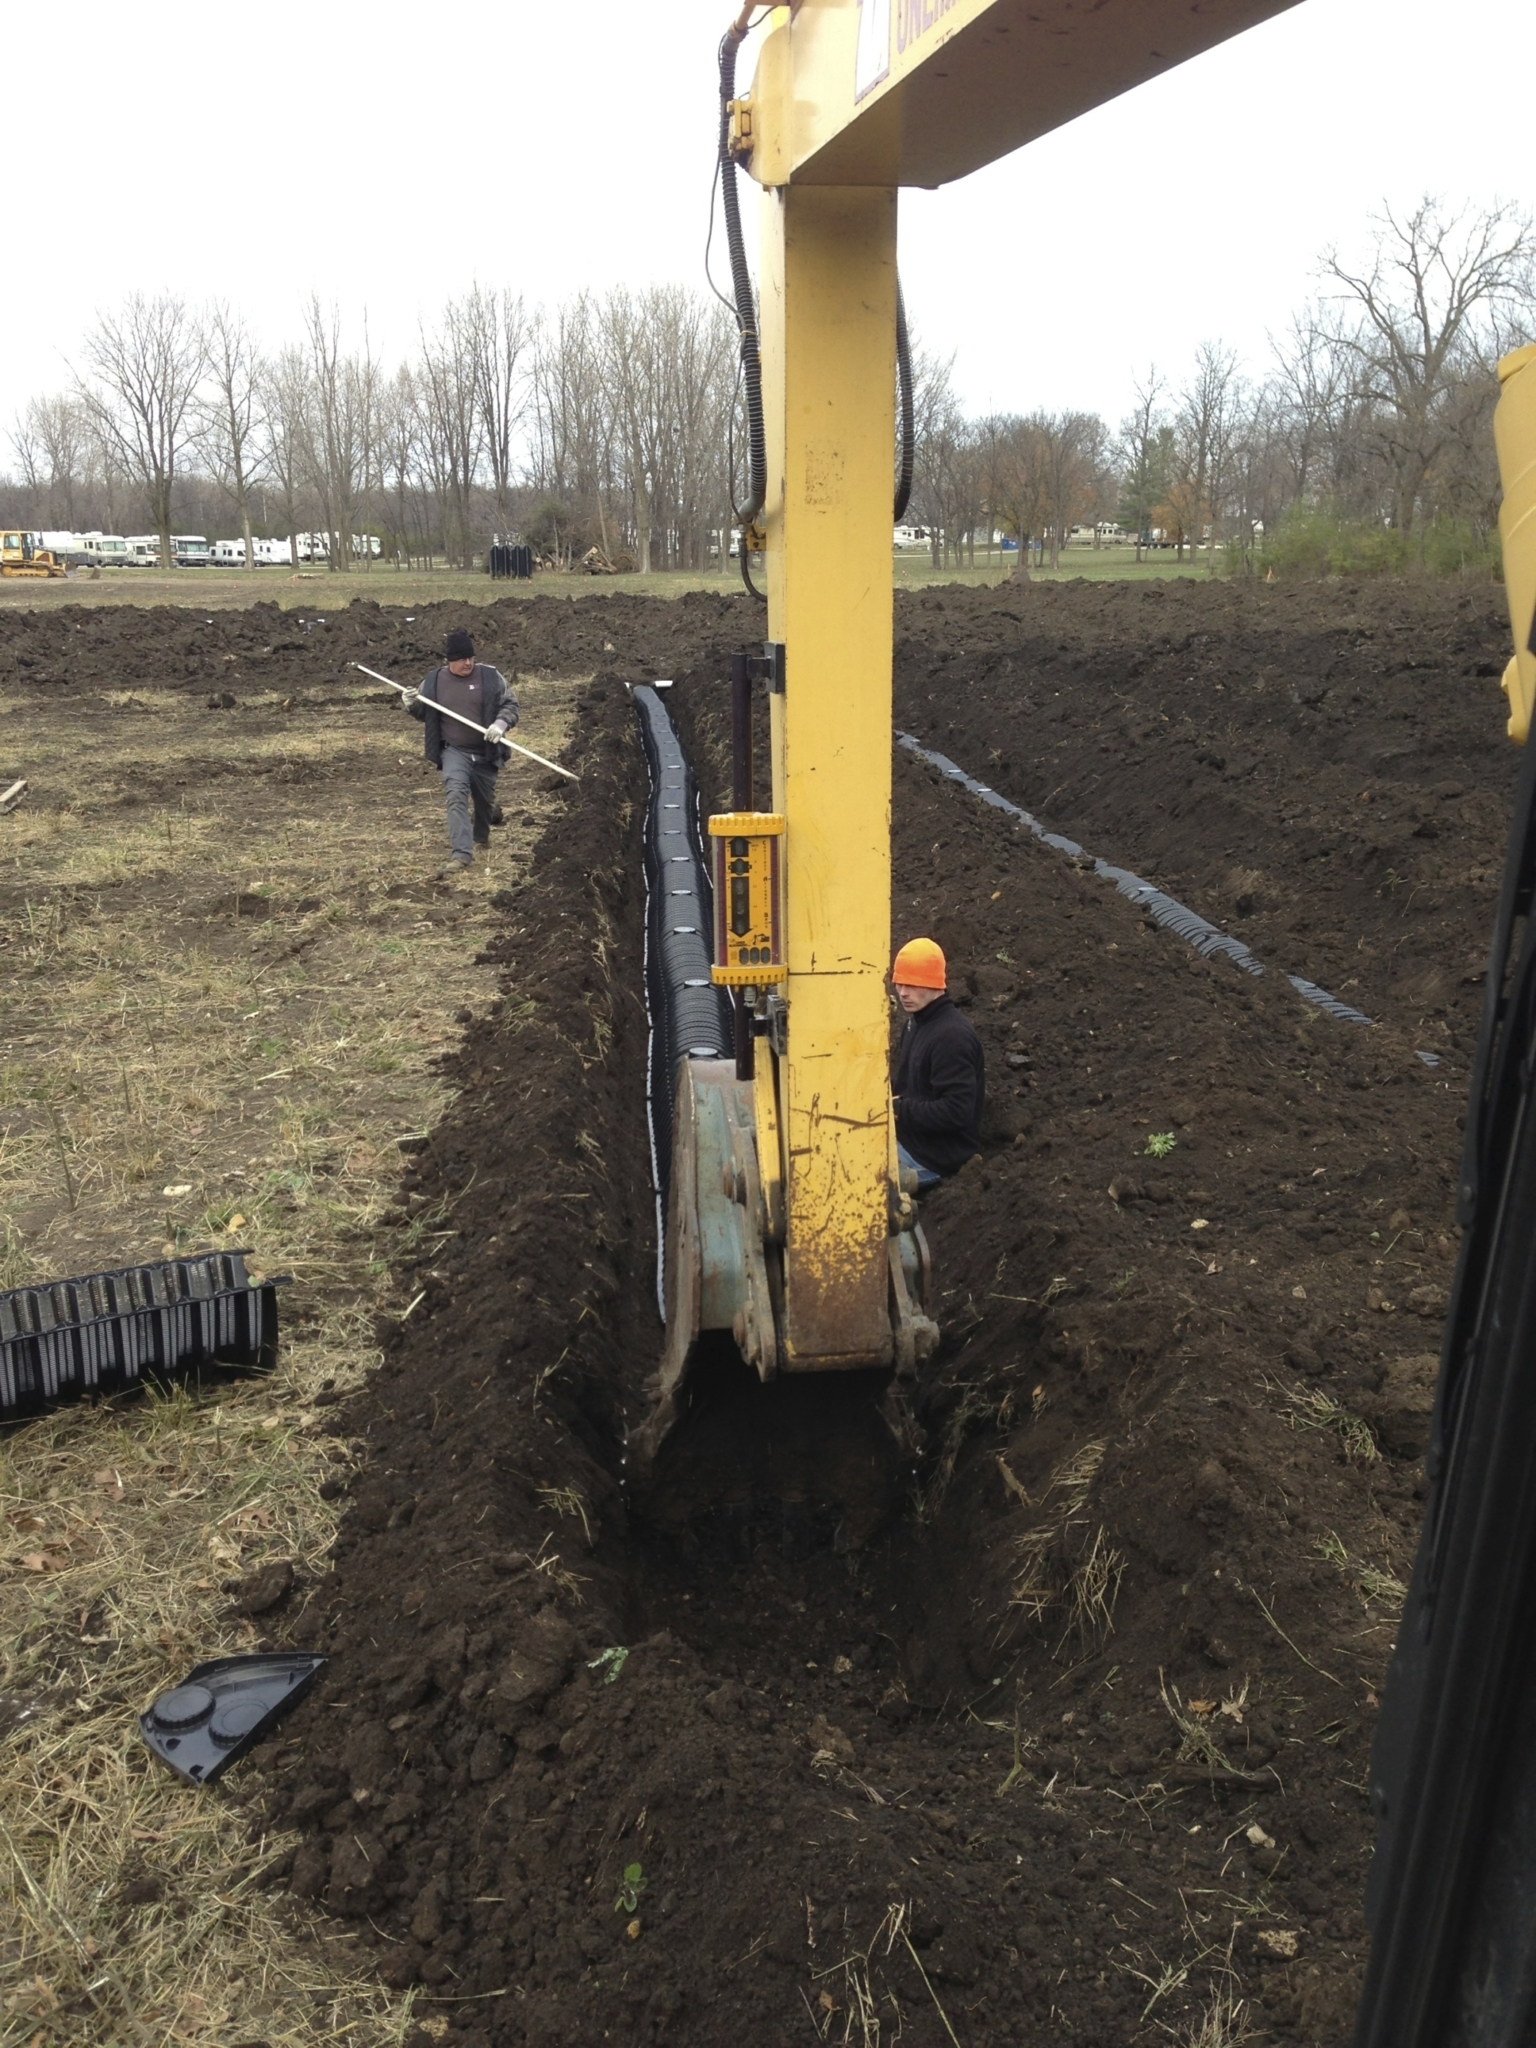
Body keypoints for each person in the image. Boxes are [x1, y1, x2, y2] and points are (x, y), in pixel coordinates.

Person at [408, 629, 519, 874]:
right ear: (449, 660)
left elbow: (510, 704)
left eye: (470, 657)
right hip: (454, 750)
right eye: (461, 659)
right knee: (456, 793)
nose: (467, 663)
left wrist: (500, 725)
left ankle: (481, 836)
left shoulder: (490, 676)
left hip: (486, 751)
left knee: (484, 801)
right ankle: (461, 854)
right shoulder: (433, 681)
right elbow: (423, 713)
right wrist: (411, 704)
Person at [890, 937, 985, 1189]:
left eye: (912, 984)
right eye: (899, 983)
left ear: (934, 983)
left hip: (934, 1159)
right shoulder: (915, 1023)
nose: (903, 992)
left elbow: (957, 1112)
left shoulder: (952, 1037)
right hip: (908, 1141)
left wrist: (898, 1110)